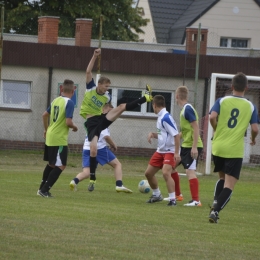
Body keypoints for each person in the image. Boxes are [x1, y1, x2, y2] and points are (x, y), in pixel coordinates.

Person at [80, 48, 153, 191]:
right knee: (93, 150)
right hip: (91, 123)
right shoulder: (90, 88)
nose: (107, 89)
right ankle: (93, 179)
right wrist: (94, 56)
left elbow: (107, 109)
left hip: (100, 119)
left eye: (109, 86)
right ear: (99, 84)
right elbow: (88, 72)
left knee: (121, 107)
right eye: (106, 86)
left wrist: (112, 114)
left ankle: (146, 97)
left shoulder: (106, 97)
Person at [208, 72, 258, 223]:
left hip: (218, 147)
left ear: (232, 86)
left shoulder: (222, 101)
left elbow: (211, 116)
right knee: (229, 185)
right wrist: (252, 138)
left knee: (222, 179)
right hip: (234, 150)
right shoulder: (250, 106)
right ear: (246, 88)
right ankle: (215, 211)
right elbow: (255, 129)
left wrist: (216, 128)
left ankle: (215, 206)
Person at [69, 104, 132, 193]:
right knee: (117, 164)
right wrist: (113, 144)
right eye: (110, 111)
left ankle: (74, 181)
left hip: (87, 148)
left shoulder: (92, 119)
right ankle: (119, 185)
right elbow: (106, 137)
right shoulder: (102, 121)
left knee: (87, 172)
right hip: (99, 148)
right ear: (104, 110)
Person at [37, 79, 78, 197]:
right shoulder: (69, 102)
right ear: (73, 90)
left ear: (61, 89)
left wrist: (46, 129)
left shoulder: (56, 100)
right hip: (59, 138)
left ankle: (41, 188)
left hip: (50, 135)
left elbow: (44, 115)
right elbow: (68, 122)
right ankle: (44, 190)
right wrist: (75, 127)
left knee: (52, 164)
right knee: (61, 166)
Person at [144, 95, 180, 206]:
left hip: (170, 150)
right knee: (148, 173)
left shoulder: (166, 117)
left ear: (154, 105)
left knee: (165, 173)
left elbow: (176, 135)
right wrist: (153, 134)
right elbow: (164, 134)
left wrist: (176, 153)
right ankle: (157, 195)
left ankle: (173, 199)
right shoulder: (160, 117)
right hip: (161, 151)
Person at [175, 86, 203, 206]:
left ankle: (196, 200)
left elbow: (196, 127)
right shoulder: (184, 110)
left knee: (190, 171)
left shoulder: (187, 109)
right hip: (185, 145)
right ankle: (176, 195)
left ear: (177, 97)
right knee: (170, 167)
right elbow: (186, 131)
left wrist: (194, 147)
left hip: (191, 146)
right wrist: (175, 138)